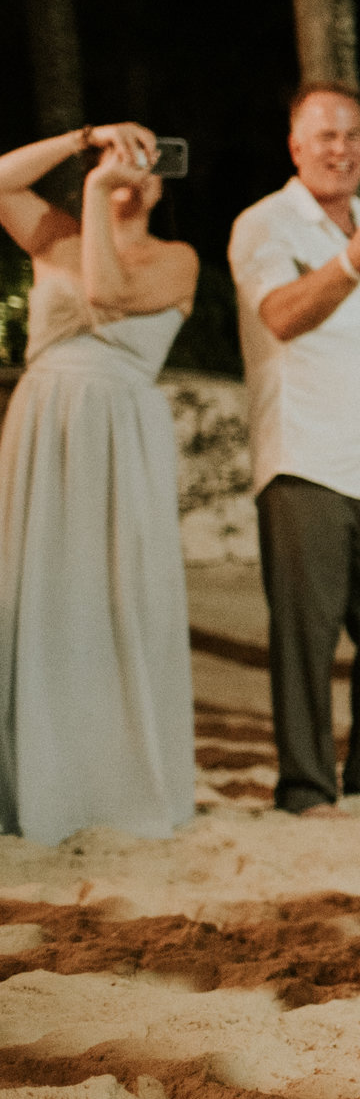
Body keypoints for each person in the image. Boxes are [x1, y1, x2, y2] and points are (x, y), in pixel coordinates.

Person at [230, 82, 360, 816]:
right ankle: (307, 787)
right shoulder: (265, 224)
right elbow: (280, 316)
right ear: (295, 146)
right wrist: (350, 263)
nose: (339, 148)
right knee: (306, 636)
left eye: (352, 135)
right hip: (304, 457)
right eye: (324, 136)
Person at [0, 123, 198, 845]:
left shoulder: (176, 259)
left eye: (147, 161)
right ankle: (33, 780)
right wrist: (80, 139)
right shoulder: (52, 235)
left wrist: (94, 188)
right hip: (44, 420)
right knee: (36, 592)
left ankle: (112, 782)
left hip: (119, 432)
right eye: (123, 155)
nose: (131, 169)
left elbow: (107, 290)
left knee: (113, 595)